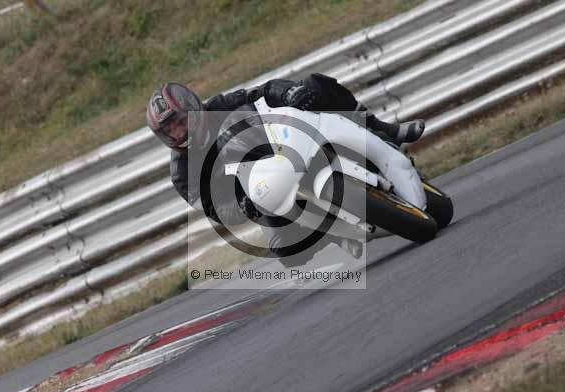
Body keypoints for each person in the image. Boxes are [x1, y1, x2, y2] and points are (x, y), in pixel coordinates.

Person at [146, 73, 425, 267]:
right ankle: (333, 233)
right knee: (285, 250)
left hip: (286, 144)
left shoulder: (219, 107)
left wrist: (288, 92)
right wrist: (243, 206)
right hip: (265, 192)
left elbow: (260, 92)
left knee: (315, 85)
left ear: (192, 107)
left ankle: (382, 129)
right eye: (171, 130)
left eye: (180, 121)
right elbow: (215, 209)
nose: (179, 131)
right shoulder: (183, 174)